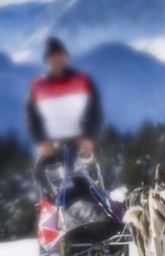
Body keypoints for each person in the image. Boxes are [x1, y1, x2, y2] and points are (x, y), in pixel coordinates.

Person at [27, 37, 103, 201]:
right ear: (47, 60)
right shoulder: (38, 86)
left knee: (90, 173)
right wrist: (41, 141)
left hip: (80, 141)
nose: (56, 59)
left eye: (59, 55)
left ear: (65, 57)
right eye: (52, 56)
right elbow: (32, 118)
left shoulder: (83, 81)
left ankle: (101, 203)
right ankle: (48, 208)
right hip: (52, 144)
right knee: (41, 171)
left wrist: (89, 137)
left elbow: (95, 111)